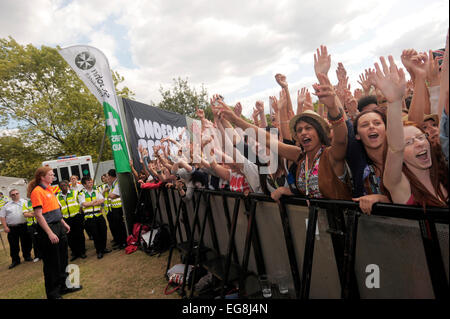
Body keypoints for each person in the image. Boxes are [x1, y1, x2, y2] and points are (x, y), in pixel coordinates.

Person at [373, 55, 448, 207]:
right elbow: (395, 148)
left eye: (421, 137)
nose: (419, 144)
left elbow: (443, 110)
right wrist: (394, 102)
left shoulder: (444, 170)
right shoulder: (399, 185)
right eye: (408, 143)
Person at [28, 166, 82, 299]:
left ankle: (64, 286)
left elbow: (55, 210)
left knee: (63, 258)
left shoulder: (50, 189)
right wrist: (49, 233)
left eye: (53, 175)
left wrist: (63, 223)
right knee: (52, 262)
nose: (53, 177)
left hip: (59, 226)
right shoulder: (37, 191)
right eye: (51, 175)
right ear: (42, 177)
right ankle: (53, 293)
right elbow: (39, 215)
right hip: (49, 229)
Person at [78, 176, 111, 259]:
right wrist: (95, 202)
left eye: (91, 181)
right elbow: (84, 204)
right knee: (95, 235)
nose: (91, 183)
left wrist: (91, 203)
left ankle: (103, 248)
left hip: (99, 215)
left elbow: (102, 200)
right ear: (84, 184)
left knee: (103, 231)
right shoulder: (81, 193)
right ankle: (99, 251)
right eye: (88, 182)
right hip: (90, 217)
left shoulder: (96, 191)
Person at [0, 189, 33, 269]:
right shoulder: (6, 205)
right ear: (10, 196)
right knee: (13, 245)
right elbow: (2, 216)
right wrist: (5, 227)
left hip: (24, 226)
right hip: (12, 227)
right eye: (13, 194)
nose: (15, 195)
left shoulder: (25, 202)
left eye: (16, 193)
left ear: (19, 194)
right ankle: (15, 260)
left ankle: (27, 256)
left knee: (26, 242)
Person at [57, 180, 86, 261]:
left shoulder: (75, 192)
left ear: (68, 186)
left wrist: (80, 214)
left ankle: (82, 252)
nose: (64, 187)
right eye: (62, 186)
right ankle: (75, 253)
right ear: (59, 188)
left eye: (65, 185)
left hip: (76, 217)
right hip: (66, 219)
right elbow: (58, 208)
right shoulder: (57, 196)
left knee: (79, 235)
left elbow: (81, 203)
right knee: (70, 237)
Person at [105, 169, 127, 250]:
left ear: (111, 176)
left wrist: (109, 194)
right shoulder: (113, 184)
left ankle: (123, 243)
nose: (107, 178)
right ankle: (120, 242)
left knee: (120, 227)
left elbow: (112, 195)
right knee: (117, 227)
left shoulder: (117, 183)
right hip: (114, 208)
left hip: (118, 208)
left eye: (108, 176)